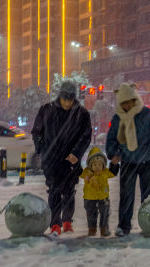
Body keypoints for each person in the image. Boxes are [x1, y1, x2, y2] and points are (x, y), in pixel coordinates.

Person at [106, 83, 150, 237]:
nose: (127, 105)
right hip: (128, 160)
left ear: (135, 100)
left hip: (147, 160)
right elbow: (111, 138)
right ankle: (123, 226)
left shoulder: (147, 114)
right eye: (124, 103)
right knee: (126, 195)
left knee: (149, 196)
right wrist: (113, 153)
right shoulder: (118, 118)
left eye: (130, 101)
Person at [31, 81, 92, 236]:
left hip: (70, 161)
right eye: (65, 99)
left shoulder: (82, 114)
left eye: (70, 100)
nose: (67, 103)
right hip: (51, 160)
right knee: (54, 191)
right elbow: (37, 132)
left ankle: (67, 221)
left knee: (70, 192)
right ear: (60, 97)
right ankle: (55, 224)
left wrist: (76, 154)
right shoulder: (46, 110)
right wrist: (42, 149)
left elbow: (85, 136)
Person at [80, 147, 120, 237]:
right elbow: (79, 173)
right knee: (91, 214)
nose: (97, 167)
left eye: (99, 164)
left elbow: (113, 173)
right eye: (94, 164)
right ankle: (92, 229)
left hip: (103, 197)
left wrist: (114, 165)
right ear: (90, 165)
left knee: (105, 213)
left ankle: (104, 228)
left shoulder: (105, 172)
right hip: (89, 198)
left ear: (103, 165)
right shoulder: (87, 172)